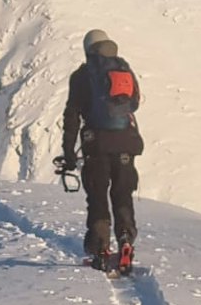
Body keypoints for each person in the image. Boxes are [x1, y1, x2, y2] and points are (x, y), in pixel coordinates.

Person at [59, 28, 143, 268]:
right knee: (122, 194)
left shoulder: (83, 75)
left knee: (98, 196)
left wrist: (68, 152)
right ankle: (126, 240)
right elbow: (134, 103)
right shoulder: (123, 69)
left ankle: (101, 249)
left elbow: (72, 115)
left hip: (96, 144)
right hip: (126, 141)